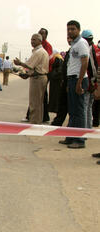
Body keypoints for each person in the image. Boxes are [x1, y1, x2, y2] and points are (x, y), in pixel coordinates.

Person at [59, 21, 90, 149]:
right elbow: (72, 65)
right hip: (72, 79)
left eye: (73, 29)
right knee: (72, 111)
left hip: (79, 79)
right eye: (68, 29)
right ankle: (70, 136)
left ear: (78, 30)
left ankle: (79, 140)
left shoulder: (82, 43)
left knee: (79, 111)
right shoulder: (74, 44)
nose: (70, 31)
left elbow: (84, 63)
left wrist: (79, 83)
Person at [14, 34, 49, 124]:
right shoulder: (41, 51)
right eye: (31, 39)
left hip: (38, 78)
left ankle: (34, 122)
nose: (32, 41)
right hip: (39, 77)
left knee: (34, 103)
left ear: (40, 41)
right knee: (38, 103)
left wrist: (20, 63)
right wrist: (27, 75)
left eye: (34, 40)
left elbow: (29, 65)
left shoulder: (39, 52)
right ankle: (37, 121)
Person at [51, 37, 72, 126]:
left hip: (70, 81)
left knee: (69, 106)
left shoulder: (77, 49)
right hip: (65, 81)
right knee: (63, 104)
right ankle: (57, 123)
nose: (69, 40)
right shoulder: (70, 50)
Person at [81, 30, 99, 129]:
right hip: (92, 82)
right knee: (89, 107)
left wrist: (92, 82)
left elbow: (93, 67)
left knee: (85, 106)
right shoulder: (96, 48)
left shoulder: (89, 49)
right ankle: (88, 128)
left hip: (89, 82)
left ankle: (85, 129)